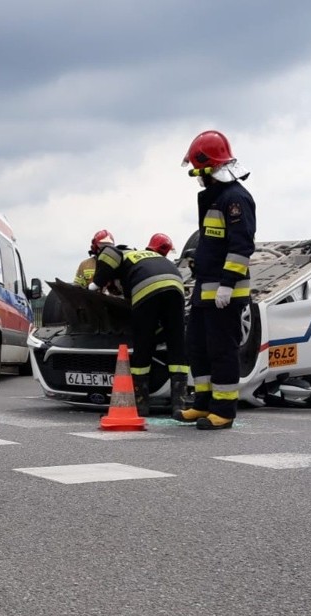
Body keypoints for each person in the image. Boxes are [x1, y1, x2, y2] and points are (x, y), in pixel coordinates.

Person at [177, 130, 256, 429]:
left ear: (211, 168)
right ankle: (203, 403)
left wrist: (227, 284)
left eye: (199, 172)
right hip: (205, 291)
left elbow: (241, 247)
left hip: (225, 293)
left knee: (222, 350)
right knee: (197, 346)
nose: (198, 178)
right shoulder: (217, 198)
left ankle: (223, 410)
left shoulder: (235, 199)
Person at [89, 239, 187, 417]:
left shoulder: (122, 253)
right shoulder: (147, 257)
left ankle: (141, 404)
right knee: (177, 343)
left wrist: (96, 284)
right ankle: (178, 405)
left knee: (143, 344)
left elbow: (108, 252)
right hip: (175, 286)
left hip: (146, 286)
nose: (115, 292)